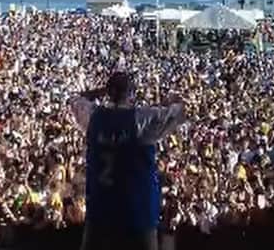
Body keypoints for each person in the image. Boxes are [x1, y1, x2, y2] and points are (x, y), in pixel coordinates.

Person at [70, 71, 187, 250]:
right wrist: (174, 99)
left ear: (108, 91)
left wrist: (101, 91)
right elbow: (179, 112)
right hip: (137, 211)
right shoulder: (142, 118)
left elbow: (76, 99)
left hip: (100, 208)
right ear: (131, 93)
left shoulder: (93, 117)